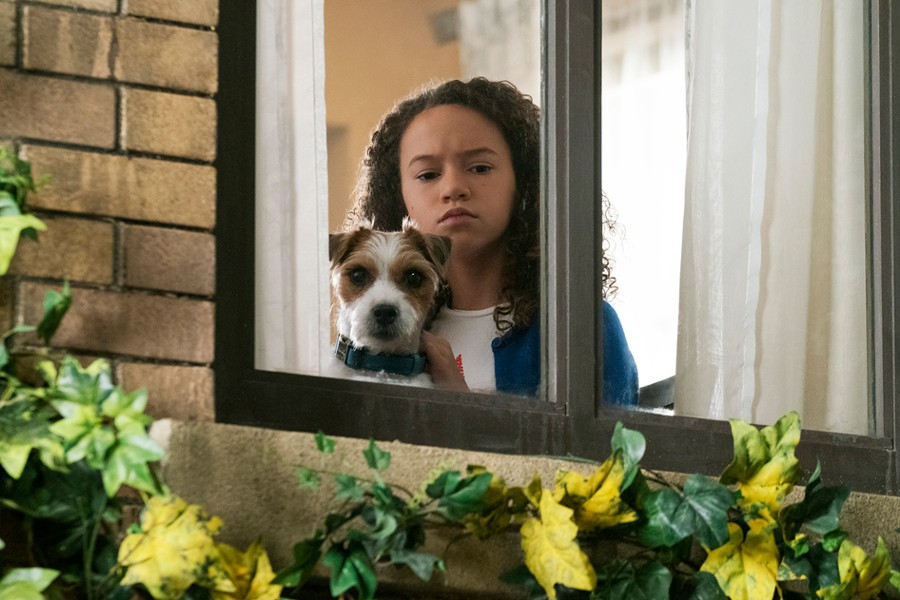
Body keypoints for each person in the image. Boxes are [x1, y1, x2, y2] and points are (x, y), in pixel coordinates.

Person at [344, 77, 638, 404]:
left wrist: (462, 401)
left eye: (480, 168)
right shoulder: (385, 332)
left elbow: (609, 438)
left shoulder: (579, 328)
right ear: (398, 196)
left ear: (525, 182)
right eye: (428, 175)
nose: (453, 188)